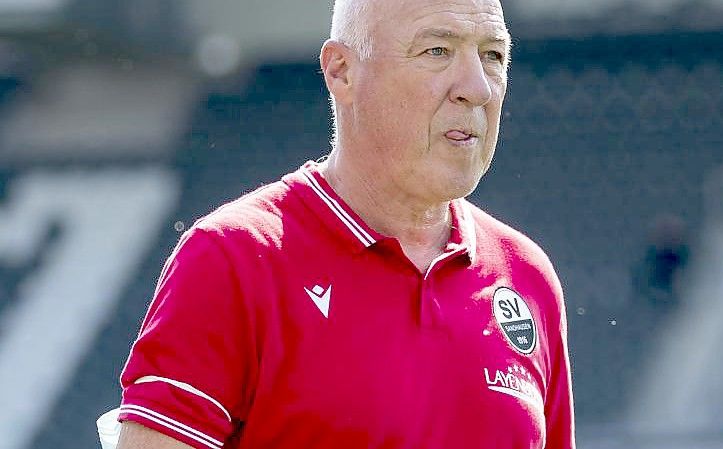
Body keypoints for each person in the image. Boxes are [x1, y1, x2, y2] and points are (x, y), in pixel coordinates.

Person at [105, 0, 575, 447]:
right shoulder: (234, 258)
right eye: (438, 50)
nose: (478, 86)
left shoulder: (526, 275)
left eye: (493, 55)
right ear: (342, 72)